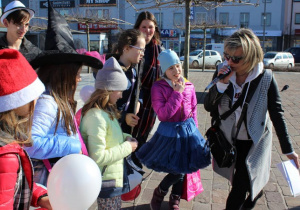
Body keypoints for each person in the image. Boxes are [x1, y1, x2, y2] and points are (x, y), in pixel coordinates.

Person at [204, 28, 300, 210]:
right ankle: (254, 191)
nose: (230, 62)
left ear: (251, 57)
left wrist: (288, 150)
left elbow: (277, 114)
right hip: (228, 139)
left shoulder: (265, 78)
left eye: (236, 59)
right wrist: (221, 85)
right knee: (242, 181)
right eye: (226, 56)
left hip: (254, 141)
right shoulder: (222, 72)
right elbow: (209, 105)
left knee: (240, 189)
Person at [23, 1, 102, 186]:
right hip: (48, 183)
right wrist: (73, 145)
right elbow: (32, 144)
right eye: (77, 74)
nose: (79, 79)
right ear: (63, 74)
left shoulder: (59, 99)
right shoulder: (47, 102)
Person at [136, 49, 210, 210]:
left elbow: (193, 110)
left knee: (185, 166)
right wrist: (177, 94)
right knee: (178, 169)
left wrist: (195, 131)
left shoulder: (189, 85)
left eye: (177, 66)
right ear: (164, 71)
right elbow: (163, 115)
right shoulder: (159, 87)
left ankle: (175, 199)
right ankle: (160, 191)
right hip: (169, 133)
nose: (176, 70)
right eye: (171, 68)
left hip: (188, 132)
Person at [80, 57, 138, 209]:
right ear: (109, 90)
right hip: (106, 181)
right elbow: (98, 156)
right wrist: (127, 147)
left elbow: (110, 136)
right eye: (119, 91)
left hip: (112, 177)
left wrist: (126, 138)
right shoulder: (96, 116)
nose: (120, 95)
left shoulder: (106, 111)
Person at [0, 49, 51, 209]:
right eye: (33, 96)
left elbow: (10, 184)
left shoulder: (7, 143)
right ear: (17, 102)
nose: (36, 101)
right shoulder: (5, 156)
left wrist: (38, 195)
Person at [132, 11, 164, 166]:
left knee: (142, 140)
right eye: (143, 27)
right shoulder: (131, 47)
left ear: (155, 28)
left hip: (150, 106)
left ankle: (135, 171)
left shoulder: (159, 50)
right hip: (132, 101)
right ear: (138, 28)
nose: (147, 30)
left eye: (150, 27)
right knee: (127, 137)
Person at [110, 29, 146, 134]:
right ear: (126, 48)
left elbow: (138, 89)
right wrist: (124, 116)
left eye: (144, 50)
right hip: (112, 125)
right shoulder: (113, 71)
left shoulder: (133, 70)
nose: (143, 54)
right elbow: (105, 104)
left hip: (125, 127)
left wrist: (139, 101)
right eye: (140, 49)